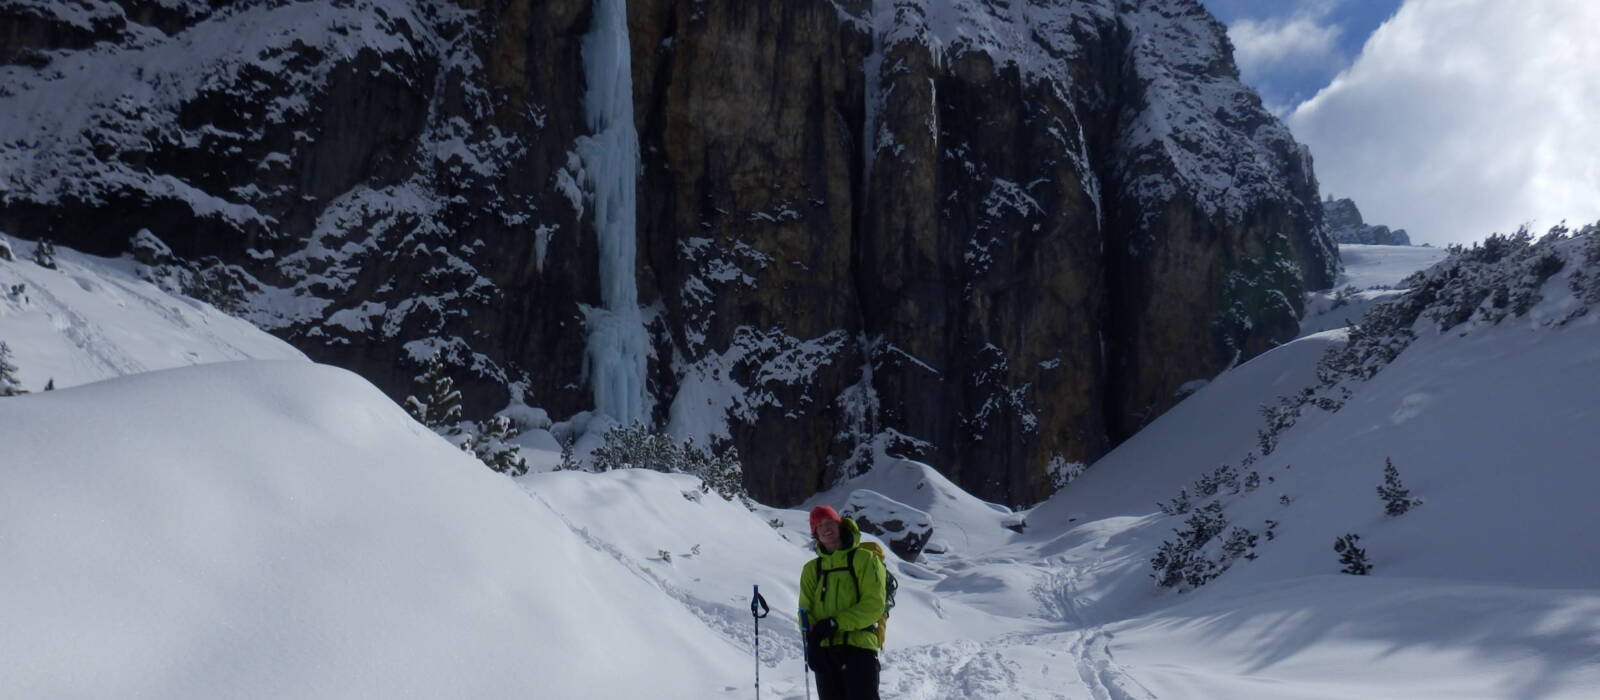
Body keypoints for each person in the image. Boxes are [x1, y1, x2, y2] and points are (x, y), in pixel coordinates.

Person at [799, 505, 886, 700]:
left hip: (859, 648)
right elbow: (805, 610)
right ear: (815, 533)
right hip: (824, 651)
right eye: (819, 525)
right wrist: (812, 642)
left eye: (829, 522)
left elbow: (873, 605)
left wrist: (834, 623)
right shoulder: (811, 569)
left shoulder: (865, 559)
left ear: (840, 525)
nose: (825, 528)